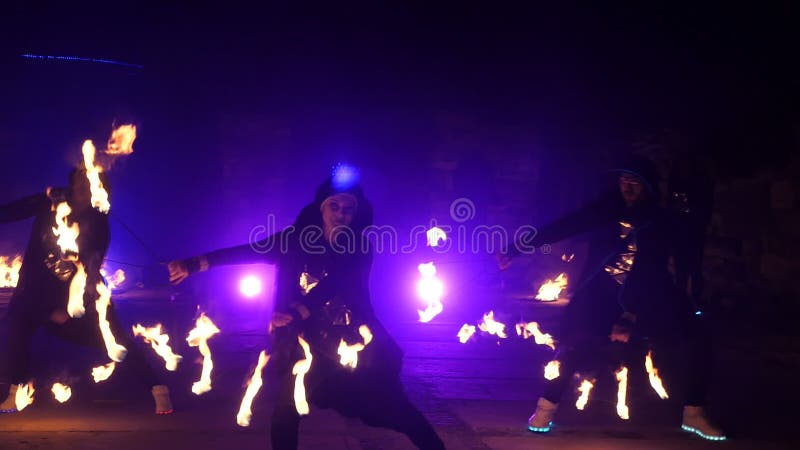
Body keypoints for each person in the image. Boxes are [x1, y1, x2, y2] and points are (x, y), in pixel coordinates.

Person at [168, 167, 445, 450]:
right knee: (286, 410)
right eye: (334, 206)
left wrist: (302, 308)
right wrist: (196, 264)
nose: (340, 214)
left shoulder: (359, 245)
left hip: (352, 341)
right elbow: (251, 250)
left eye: (347, 209)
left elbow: (341, 281)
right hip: (306, 341)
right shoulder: (295, 240)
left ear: (355, 213)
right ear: (322, 209)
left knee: (390, 410)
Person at [498, 155, 726, 441]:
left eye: (635, 182)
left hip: (647, 295)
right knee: (577, 344)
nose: (627, 187)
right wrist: (517, 247)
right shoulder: (604, 211)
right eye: (624, 180)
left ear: (648, 187)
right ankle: (546, 407)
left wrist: (633, 314)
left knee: (696, 339)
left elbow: (661, 268)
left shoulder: (660, 221)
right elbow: (565, 225)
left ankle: (694, 413)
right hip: (600, 293)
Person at [0, 168, 172, 414]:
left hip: (75, 295)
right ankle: (16, 391)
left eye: (91, 181)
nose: (84, 185)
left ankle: (158, 388)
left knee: (111, 339)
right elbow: (13, 211)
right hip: (34, 292)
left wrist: (67, 305)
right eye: (79, 180)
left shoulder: (98, 222)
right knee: (17, 325)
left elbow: (91, 265)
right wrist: (47, 308)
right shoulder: (52, 201)